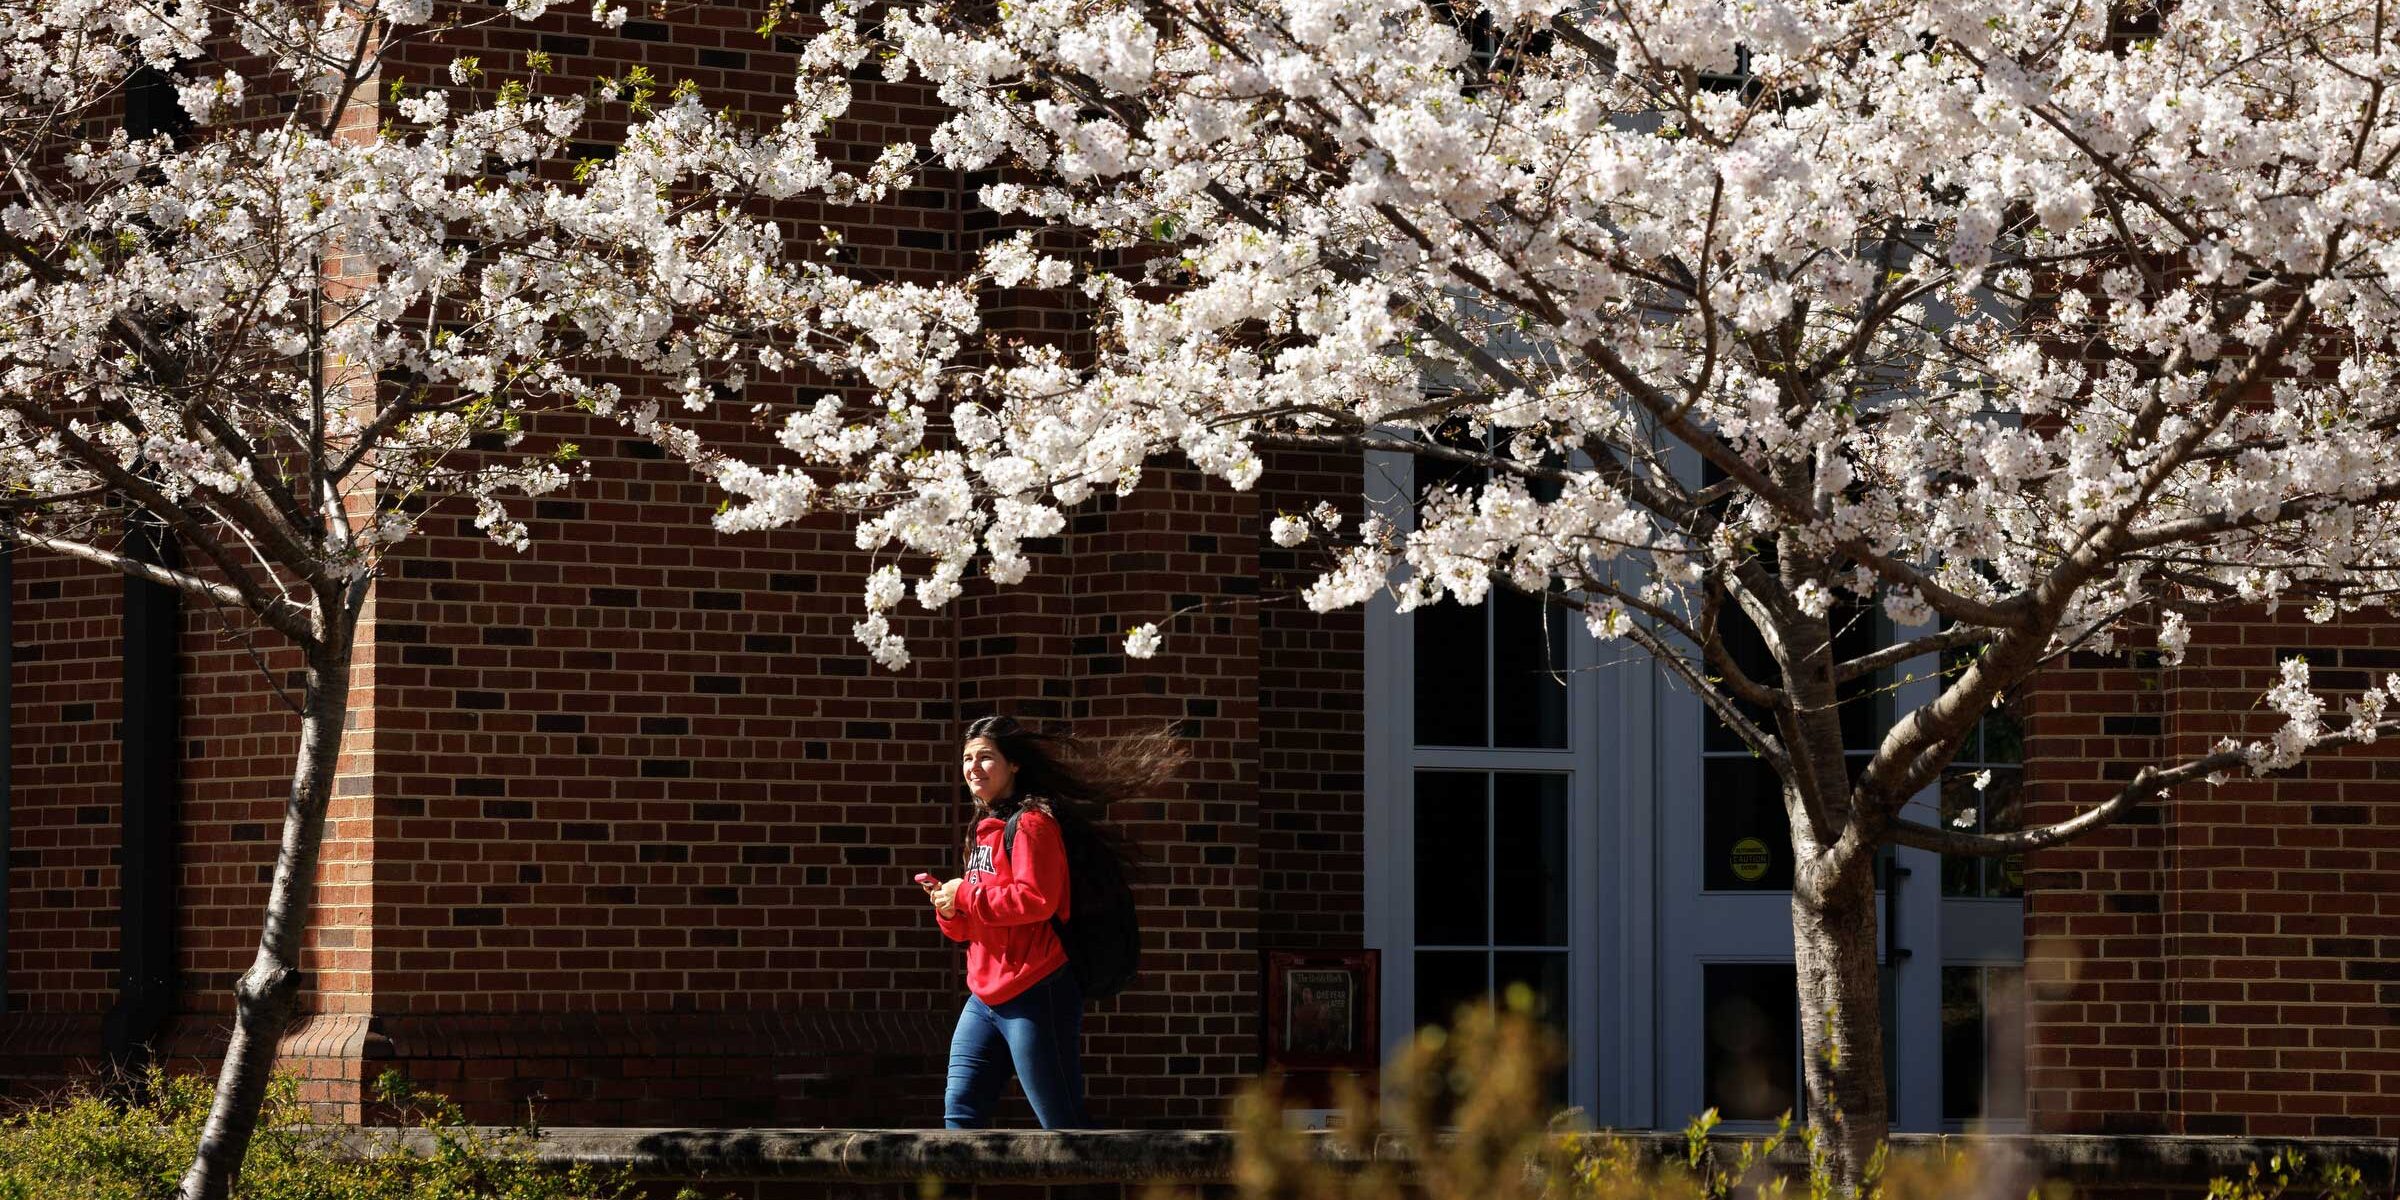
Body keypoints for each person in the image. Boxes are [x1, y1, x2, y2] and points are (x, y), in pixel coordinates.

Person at [921, 714, 1179, 1129]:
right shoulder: (982, 830)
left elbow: (1037, 900)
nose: (972, 768)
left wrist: (966, 894)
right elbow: (978, 923)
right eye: (967, 759)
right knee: (960, 1114)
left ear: (1014, 765)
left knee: (1062, 1124)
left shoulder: (1032, 824)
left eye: (985, 757)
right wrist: (949, 909)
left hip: (1037, 992)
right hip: (983, 996)